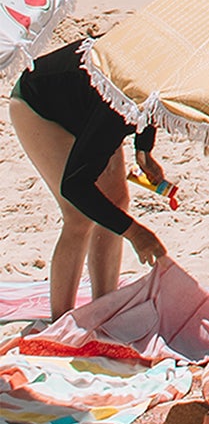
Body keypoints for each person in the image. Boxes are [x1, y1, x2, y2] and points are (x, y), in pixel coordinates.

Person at [9, 37, 172, 318]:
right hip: (38, 106)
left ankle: (104, 304)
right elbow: (75, 186)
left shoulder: (158, 78)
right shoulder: (116, 107)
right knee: (78, 216)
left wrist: (143, 152)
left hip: (87, 104)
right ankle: (61, 319)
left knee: (117, 201)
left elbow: (150, 106)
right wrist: (135, 233)